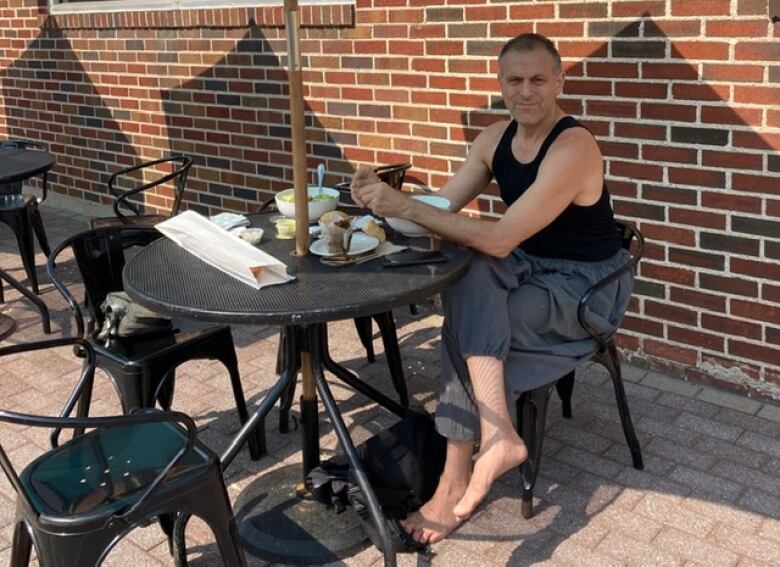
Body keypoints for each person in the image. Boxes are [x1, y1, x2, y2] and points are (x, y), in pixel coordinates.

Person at [350, 33, 634, 544]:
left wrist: (404, 206)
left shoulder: (573, 146)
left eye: (538, 79)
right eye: (514, 80)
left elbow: (501, 237)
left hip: (582, 289)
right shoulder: (493, 139)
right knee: (469, 273)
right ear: (501, 84)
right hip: (529, 266)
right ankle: (498, 433)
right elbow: (441, 210)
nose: (526, 91)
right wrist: (381, 200)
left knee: (465, 321)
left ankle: (453, 480)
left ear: (559, 81)